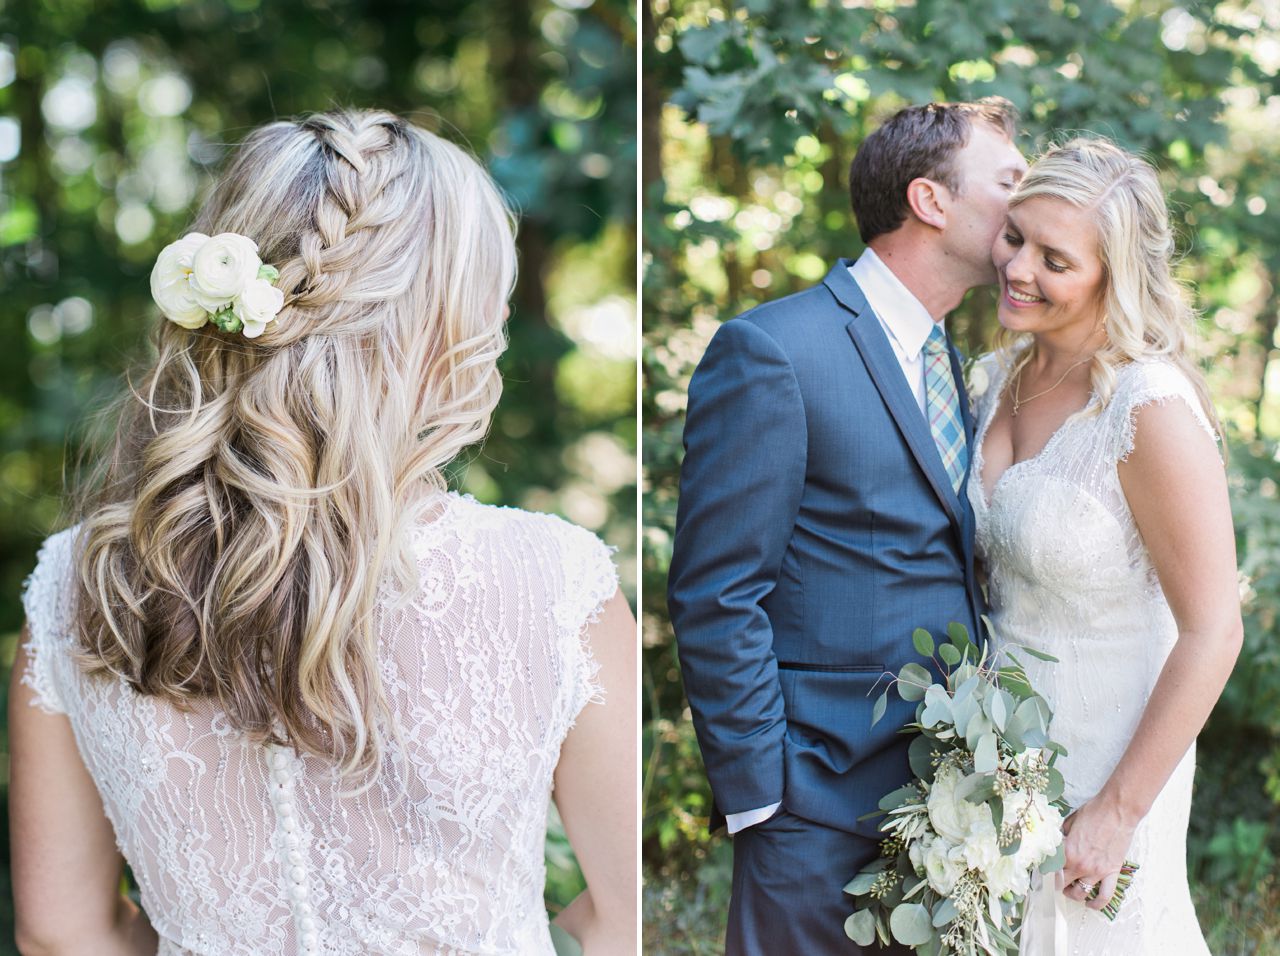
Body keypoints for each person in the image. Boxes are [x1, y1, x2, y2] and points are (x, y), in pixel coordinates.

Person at [10, 109, 637, 956]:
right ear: (451, 323)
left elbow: (60, 931)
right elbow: (621, 913)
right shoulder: (557, 581)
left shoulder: (74, 587)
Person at [667, 98, 1026, 954]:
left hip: (940, 805)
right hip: (810, 805)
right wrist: (765, 795)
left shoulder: (956, 361)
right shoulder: (774, 350)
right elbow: (717, 592)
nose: (1029, 202)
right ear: (930, 201)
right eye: (1009, 181)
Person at [970, 136, 1241, 954]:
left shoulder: (1147, 408)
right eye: (1015, 238)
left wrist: (1118, 810)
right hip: (991, 767)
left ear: (1113, 278)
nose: (1019, 269)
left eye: (1056, 258)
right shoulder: (990, 378)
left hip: (1108, 766)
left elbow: (1214, 629)